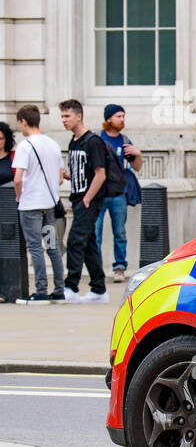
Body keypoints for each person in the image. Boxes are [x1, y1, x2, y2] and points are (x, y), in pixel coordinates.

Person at [10, 105, 66, 304]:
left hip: (30, 204)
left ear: (23, 122)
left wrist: (18, 196)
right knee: (52, 247)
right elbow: (60, 176)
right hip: (49, 205)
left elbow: (18, 178)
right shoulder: (53, 144)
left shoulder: (25, 146)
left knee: (34, 247)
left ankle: (41, 290)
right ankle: (59, 291)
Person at [59, 99, 108, 303]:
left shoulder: (93, 141)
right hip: (78, 198)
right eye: (62, 116)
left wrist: (87, 199)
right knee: (87, 244)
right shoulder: (74, 141)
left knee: (75, 241)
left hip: (88, 201)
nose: (64, 120)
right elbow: (83, 171)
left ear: (79, 116)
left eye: (67, 116)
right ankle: (98, 289)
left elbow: (101, 174)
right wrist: (68, 176)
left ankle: (71, 286)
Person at [95, 104, 139, 282]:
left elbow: (137, 167)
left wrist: (138, 154)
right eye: (118, 116)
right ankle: (96, 268)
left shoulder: (125, 140)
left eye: (123, 116)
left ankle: (119, 267)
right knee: (95, 233)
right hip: (99, 193)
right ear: (108, 119)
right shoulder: (97, 138)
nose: (122, 119)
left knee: (120, 232)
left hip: (119, 193)